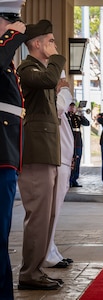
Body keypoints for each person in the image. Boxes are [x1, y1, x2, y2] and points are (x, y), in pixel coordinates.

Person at [17, 19, 66, 290]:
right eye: (50, 41)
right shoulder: (28, 68)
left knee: (45, 215)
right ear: (37, 44)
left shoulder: (39, 69)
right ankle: (29, 273)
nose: (54, 46)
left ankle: (35, 270)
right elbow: (48, 80)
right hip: (36, 152)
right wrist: (57, 58)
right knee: (37, 214)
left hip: (46, 151)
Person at [0, 1, 26, 297]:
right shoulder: (5, 48)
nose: (15, 26)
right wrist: (11, 38)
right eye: (9, 21)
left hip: (6, 155)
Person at [42, 77, 74, 269]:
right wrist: (62, 90)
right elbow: (60, 106)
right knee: (49, 209)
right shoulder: (53, 99)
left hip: (61, 156)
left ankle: (51, 250)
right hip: (54, 156)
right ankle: (46, 254)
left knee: (55, 209)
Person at [68, 101, 90, 188]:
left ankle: (74, 179)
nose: (72, 108)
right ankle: (69, 179)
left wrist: (81, 115)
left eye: (73, 107)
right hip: (70, 139)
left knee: (77, 160)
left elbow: (87, 123)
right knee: (70, 161)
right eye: (71, 106)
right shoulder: (67, 116)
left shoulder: (78, 117)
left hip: (78, 141)